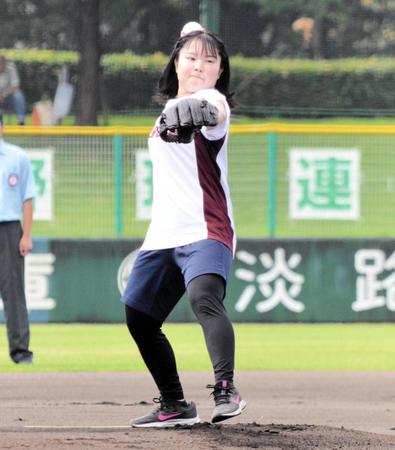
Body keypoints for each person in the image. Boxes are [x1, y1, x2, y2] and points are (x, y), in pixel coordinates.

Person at [122, 23, 246, 427]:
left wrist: (205, 108)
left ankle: (226, 389)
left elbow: (215, 110)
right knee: (138, 316)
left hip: (207, 227)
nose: (199, 65)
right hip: (163, 234)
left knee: (203, 297)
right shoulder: (165, 113)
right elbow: (177, 109)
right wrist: (194, 35)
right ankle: (174, 404)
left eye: (209, 61)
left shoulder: (213, 102)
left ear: (219, 71)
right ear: (176, 63)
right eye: (191, 57)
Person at [0, 111, 35, 364]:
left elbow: (27, 197)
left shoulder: (17, 157)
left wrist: (27, 235)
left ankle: (20, 351)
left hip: (9, 229)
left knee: (13, 291)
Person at [0, 55, 26, 125]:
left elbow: (15, 86)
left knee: (18, 95)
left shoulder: (11, 68)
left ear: (4, 63)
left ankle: (21, 121)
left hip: (9, 97)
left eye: (1, 63)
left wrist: (3, 95)